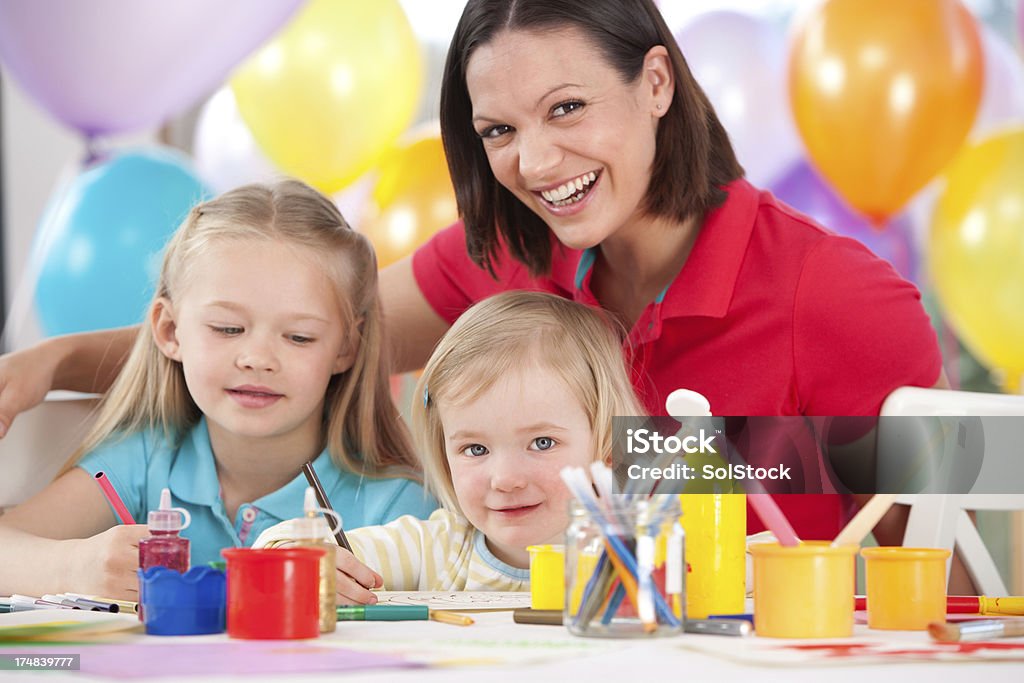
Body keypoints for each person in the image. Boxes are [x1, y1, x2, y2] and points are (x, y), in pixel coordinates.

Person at [0, 0, 943, 541]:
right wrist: (49, 365)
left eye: (567, 108)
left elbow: (949, 562)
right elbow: (281, 329)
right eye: (499, 130)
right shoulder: (509, 254)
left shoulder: (841, 299)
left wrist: (673, 454)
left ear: (657, 84)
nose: (534, 164)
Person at [0, 180, 436, 600]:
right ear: (170, 330)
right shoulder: (144, 462)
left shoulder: (394, 505)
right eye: (228, 328)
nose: (258, 358)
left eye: (299, 336)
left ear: (346, 348)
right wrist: (72, 566)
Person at [253, 291, 648, 601]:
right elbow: (273, 550)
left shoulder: (643, 547)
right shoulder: (438, 547)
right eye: (475, 449)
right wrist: (305, 567)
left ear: (606, 445)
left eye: (542, 443)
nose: (505, 479)